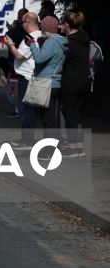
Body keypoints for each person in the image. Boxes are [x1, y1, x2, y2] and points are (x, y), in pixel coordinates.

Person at [26, 15, 67, 160]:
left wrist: (31, 44)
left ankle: (50, 150)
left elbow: (39, 59)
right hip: (54, 82)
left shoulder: (52, 42)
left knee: (47, 119)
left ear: (46, 28)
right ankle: (54, 146)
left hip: (46, 83)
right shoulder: (61, 41)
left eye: (42, 27)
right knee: (52, 117)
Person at [5, 11, 42, 150]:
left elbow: (20, 56)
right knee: (27, 110)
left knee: (26, 110)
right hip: (30, 76)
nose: (22, 26)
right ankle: (26, 139)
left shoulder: (30, 38)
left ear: (27, 22)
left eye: (22, 23)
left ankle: (28, 141)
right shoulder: (40, 36)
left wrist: (10, 45)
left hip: (26, 77)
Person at [59, 10, 91, 158]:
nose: (61, 26)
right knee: (78, 115)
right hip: (84, 82)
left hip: (70, 83)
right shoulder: (85, 40)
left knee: (69, 115)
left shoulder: (69, 43)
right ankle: (79, 147)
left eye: (62, 24)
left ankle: (71, 147)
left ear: (67, 25)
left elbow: (62, 63)